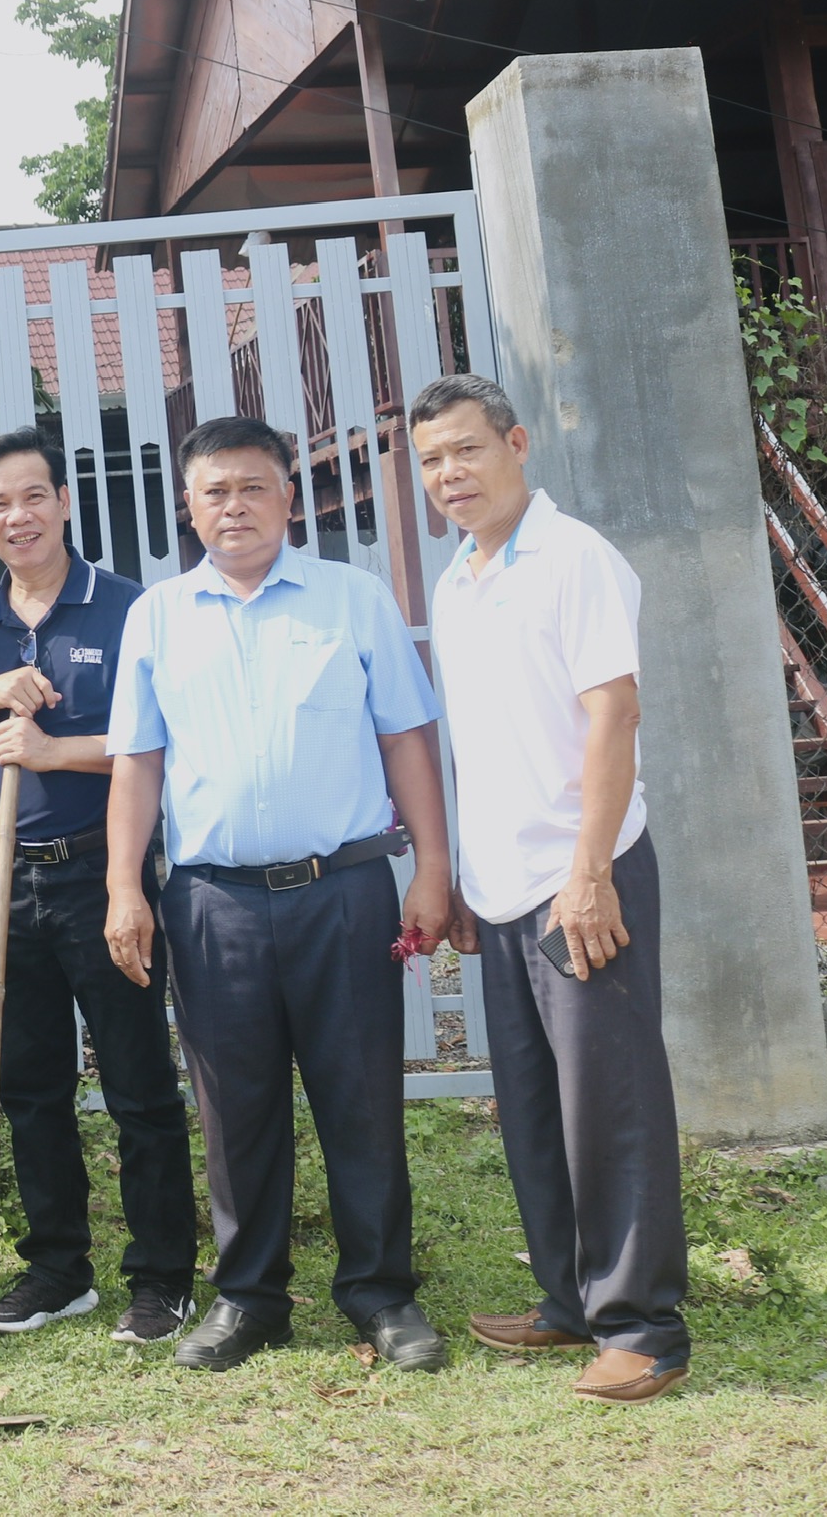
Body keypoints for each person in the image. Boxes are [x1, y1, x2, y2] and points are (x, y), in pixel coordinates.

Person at [102, 415, 455, 1374]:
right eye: (214, 491)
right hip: (211, 901)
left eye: (254, 487)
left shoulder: (353, 600)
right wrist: (122, 890)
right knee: (235, 1107)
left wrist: (432, 866)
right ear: (188, 505)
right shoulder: (158, 616)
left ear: (289, 495)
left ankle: (381, 1294)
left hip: (342, 891)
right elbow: (137, 762)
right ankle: (251, 1298)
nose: (234, 507)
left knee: (363, 1099)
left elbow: (406, 741)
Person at [410, 373, 692, 1404]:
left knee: (608, 1101)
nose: (449, 475)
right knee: (534, 1104)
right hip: (502, 889)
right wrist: (463, 882)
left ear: (517, 444)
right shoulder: (457, 579)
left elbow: (612, 716)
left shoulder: (574, 559)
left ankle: (643, 1326)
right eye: (431, 459)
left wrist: (589, 873)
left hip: (582, 875)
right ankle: (569, 1299)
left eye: (466, 451)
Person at [0, 428, 199, 1345]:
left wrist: (52, 751)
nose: (18, 517)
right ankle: (58, 1267)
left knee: (136, 1080)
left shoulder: (128, 609)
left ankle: (162, 1276)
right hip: (5, 881)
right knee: (30, 1086)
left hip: (101, 870)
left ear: (64, 501)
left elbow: (159, 746)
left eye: (33, 497)